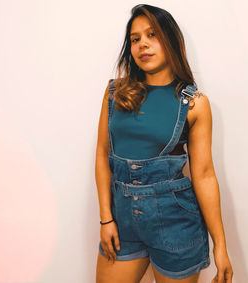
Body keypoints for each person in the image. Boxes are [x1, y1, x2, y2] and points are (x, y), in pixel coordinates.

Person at [95, 4, 233, 283]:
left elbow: (204, 175)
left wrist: (221, 245)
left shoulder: (194, 104)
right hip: (121, 226)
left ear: (171, 40)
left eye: (152, 34)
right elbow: (102, 154)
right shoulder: (115, 94)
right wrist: (106, 219)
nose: (142, 44)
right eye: (135, 39)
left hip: (176, 225)